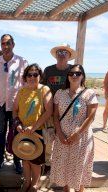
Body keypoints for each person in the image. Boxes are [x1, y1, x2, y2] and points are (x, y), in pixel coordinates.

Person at [50, 64, 98, 192]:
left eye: (77, 73)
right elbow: (55, 116)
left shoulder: (89, 94)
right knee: (64, 164)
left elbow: (91, 117)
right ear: (68, 76)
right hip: (62, 136)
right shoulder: (60, 93)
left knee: (79, 167)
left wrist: (77, 134)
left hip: (81, 138)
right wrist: (59, 133)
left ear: (82, 75)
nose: (74, 76)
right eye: (71, 73)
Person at [0, 34, 27, 174]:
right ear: (1, 45)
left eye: (8, 43)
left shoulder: (22, 62)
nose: (6, 46)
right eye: (3, 43)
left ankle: (17, 161)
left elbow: (26, 83)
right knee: (1, 132)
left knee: (16, 133)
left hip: (16, 105)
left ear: (13, 45)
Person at [13, 64, 53, 192]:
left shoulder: (44, 89)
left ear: (40, 76)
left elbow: (49, 111)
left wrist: (34, 127)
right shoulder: (21, 91)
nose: (32, 77)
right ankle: (26, 183)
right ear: (25, 77)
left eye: (35, 74)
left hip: (38, 131)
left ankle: (34, 184)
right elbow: (14, 111)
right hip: (23, 131)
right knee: (25, 158)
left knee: (35, 161)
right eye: (29, 74)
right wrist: (17, 124)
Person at [41, 43, 77, 174]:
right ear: (56, 55)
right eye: (59, 52)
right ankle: (47, 163)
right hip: (50, 109)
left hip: (67, 110)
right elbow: (42, 88)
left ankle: (62, 164)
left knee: (65, 137)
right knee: (49, 137)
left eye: (64, 52)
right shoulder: (48, 70)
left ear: (69, 55)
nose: (62, 54)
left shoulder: (74, 70)